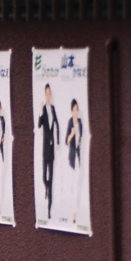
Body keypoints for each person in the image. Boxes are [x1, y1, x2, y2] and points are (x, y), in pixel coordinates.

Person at [37, 83, 60, 218]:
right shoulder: (44, 110)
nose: (48, 96)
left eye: (49, 93)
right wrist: (40, 111)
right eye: (46, 93)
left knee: (51, 177)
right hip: (45, 148)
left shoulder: (53, 109)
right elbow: (39, 125)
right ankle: (46, 187)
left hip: (52, 149)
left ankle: (49, 209)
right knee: (44, 177)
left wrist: (57, 142)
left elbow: (56, 125)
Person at [65, 98, 83, 223]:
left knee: (76, 185)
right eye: (74, 110)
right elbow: (67, 141)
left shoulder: (80, 123)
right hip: (71, 157)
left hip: (78, 157)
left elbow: (81, 137)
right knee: (71, 185)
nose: (75, 112)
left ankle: (74, 212)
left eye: (77, 110)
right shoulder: (70, 123)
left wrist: (80, 141)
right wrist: (71, 135)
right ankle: (71, 208)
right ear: (71, 112)